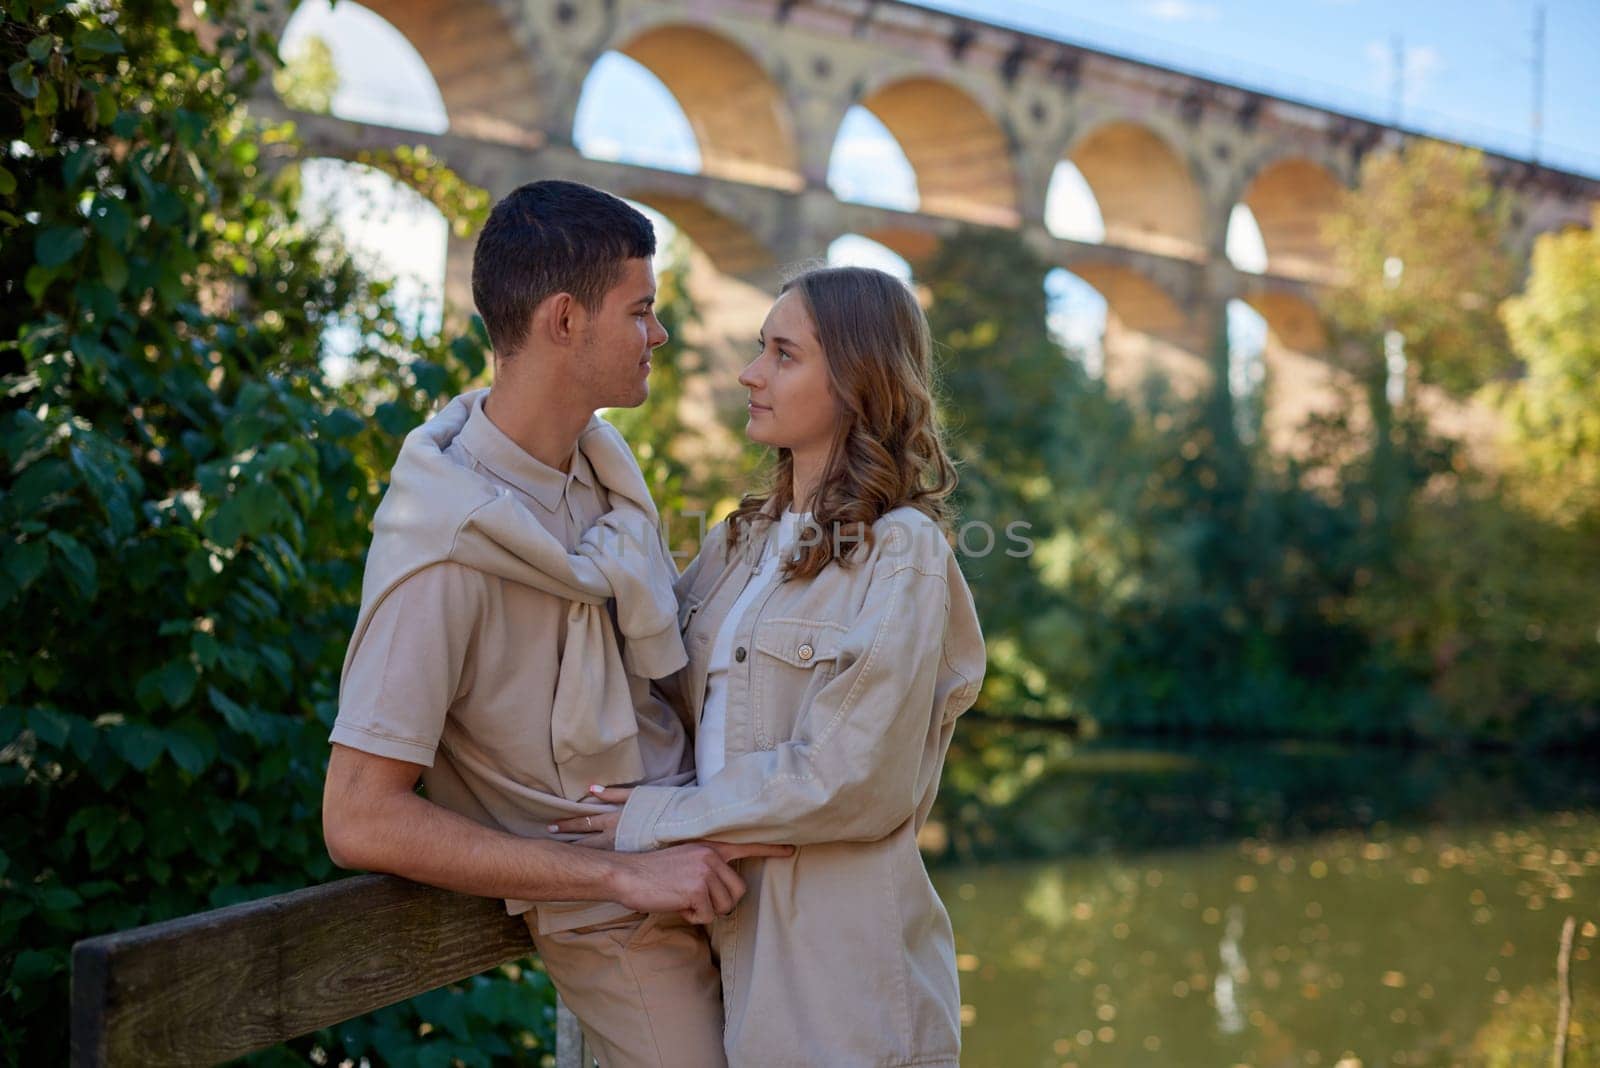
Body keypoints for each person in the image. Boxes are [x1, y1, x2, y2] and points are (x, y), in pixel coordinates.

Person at [320, 179, 788, 1068]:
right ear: (565, 321)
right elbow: (359, 819)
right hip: (624, 926)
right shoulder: (444, 543)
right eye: (641, 311)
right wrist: (620, 872)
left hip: (712, 865)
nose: (659, 335)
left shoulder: (599, 471)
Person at [553, 265, 988, 1067]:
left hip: (838, 984)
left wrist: (653, 822)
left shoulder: (903, 554)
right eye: (760, 349)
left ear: (857, 379)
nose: (751, 372)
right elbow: (658, 691)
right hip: (709, 938)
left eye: (783, 354)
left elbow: (850, 777)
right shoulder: (736, 544)